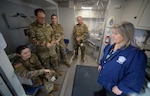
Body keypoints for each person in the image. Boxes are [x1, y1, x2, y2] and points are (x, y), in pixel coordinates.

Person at [94, 21, 147, 96]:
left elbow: (136, 75)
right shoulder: (109, 47)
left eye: (116, 33)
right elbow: (105, 58)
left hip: (116, 89)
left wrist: (121, 87)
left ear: (126, 35)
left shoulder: (135, 55)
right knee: (104, 91)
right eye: (112, 33)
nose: (112, 36)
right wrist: (101, 64)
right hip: (106, 82)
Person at [28, 8, 62, 76]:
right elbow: (32, 40)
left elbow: (52, 34)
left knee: (55, 61)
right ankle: (50, 77)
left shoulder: (48, 25)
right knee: (46, 66)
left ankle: (56, 70)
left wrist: (53, 41)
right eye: (41, 18)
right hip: (42, 52)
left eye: (44, 17)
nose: (43, 19)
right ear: (36, 17)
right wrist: (44, 43)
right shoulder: (32, 27)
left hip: (51, 49)